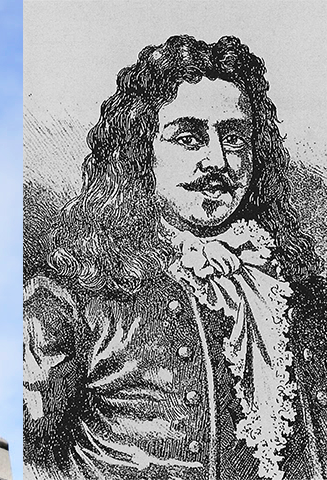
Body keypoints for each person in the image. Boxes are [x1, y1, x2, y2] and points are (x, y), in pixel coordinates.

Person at [23, 35, 327, 480]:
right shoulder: (69, 295)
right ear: (140, 152)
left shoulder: (297, 296)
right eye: (189, 138)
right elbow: (29, 456)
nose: (217, 161)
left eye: (236, 138)